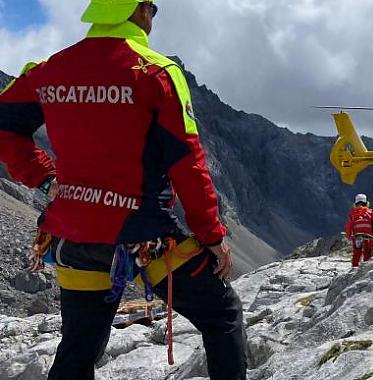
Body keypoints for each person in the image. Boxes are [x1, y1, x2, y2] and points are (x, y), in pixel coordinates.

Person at [0, 1, 246, 379]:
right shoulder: (157, 72)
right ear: (138, 10)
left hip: (74, 237)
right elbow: (187, 161)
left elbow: (6, 128)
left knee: (80, 344)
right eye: (153, 7)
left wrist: (45, 178)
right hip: (143, 237)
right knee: (222, 315)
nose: (153, 16)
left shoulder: (48, 71)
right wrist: (211, 234)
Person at [345, 194, 373, 267]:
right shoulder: (370, 212)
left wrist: (348, 236)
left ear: (355, 203)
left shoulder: (353, 213)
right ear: (366, 203)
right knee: (367, 253)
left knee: (357, 253)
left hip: (357, 237)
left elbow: (349, 225)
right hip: (368, 237)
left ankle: (354, 269)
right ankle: (365, 269)